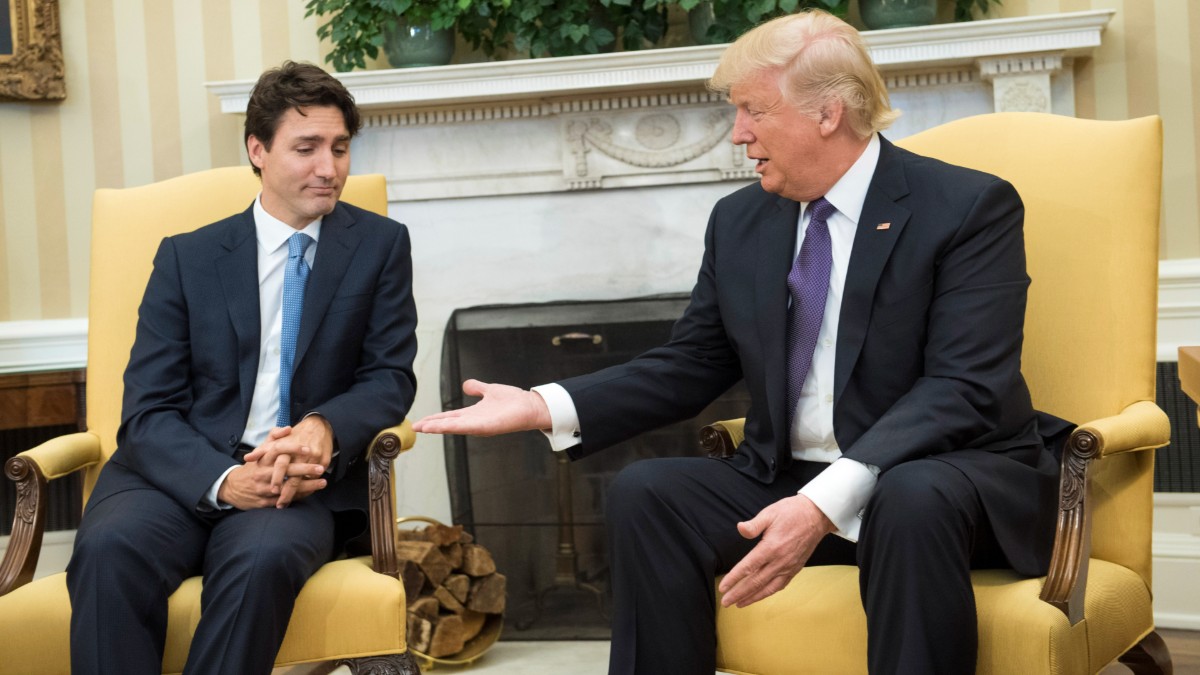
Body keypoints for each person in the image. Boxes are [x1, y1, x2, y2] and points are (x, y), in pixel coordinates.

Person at [416, 10, 1068, 675]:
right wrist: (541, 405)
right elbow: (693, 362)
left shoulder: (966, 207)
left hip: (945, 481)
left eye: (753, 111)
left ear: (827, 113)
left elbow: (963, 387)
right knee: (648, 492)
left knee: (910, 493)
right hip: (787, 476)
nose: (739, 135)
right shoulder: (742, 220)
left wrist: (822, 504)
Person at [65, 61, 418, 674]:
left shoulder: (381, 245)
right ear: (257, 149)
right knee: (109, 548)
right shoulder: (187, 258)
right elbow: (148, 410)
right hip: (173, 476)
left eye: (339, 148)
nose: (329, 168)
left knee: (260, 562)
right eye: (306, 148)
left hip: (299, 484)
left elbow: (390, 376)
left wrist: (323, 428)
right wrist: (223, 479)